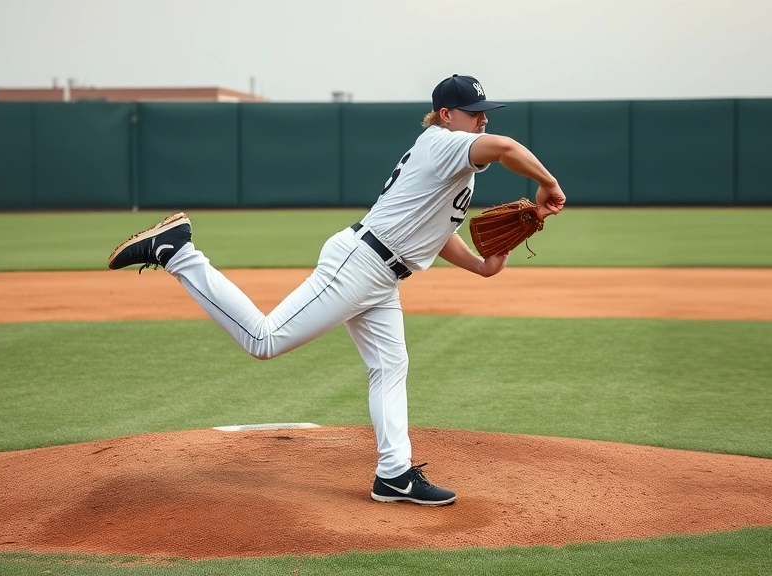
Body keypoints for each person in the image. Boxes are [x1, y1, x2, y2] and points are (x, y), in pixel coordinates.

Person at [107, 74, 565, 506]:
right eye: (473, 111)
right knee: (264, 340)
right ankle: (178, 252)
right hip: (360, 264)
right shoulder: (444, 143)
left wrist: (481, 267)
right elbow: (505, 147)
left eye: (484, 111)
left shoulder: (449, 157)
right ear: (446, 115)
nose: (483, 117)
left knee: (390, 366)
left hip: (383, 275)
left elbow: (435, 233)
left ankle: (394, 474)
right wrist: (548, 182)